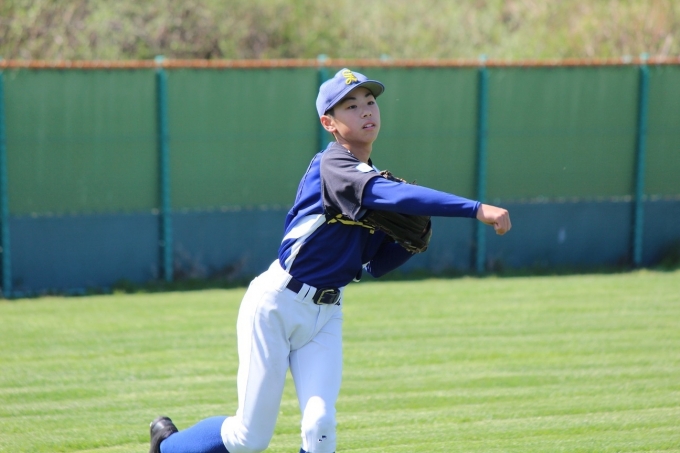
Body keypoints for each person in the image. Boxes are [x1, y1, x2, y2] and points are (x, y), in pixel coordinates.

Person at [149, 68, 511, 453]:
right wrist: (475, 209)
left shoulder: (371, 183)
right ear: (329, 123)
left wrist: (412, 241)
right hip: (276, 306)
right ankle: (167, 445)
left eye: (370, 101)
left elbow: (376, 265)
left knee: (320, 423)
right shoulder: (334, 167)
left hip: (325, 315)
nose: (366, 110)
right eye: (350, 106)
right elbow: (393, 196)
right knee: (248, 439)